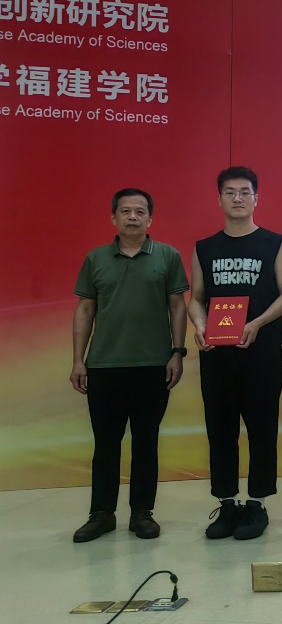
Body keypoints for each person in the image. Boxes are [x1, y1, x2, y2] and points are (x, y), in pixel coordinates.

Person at [70, 188, 189, 542]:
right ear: (114, 218)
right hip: (104, 366)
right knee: (105, 443)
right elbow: (85, 310)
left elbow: (177, 306)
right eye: (125, 211)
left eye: (140, 211)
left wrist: (177, 352)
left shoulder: (167, 256)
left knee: (146, 442)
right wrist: (78, 360)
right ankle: (101, 514)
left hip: (153, 365)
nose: (133, 217)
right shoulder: (96, 259)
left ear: (150, 219)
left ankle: (142, 513)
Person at [189, 166, 282, 540]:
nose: (237, 198)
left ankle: (257, 504)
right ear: (219, 198)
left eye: (245, 192)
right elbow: (196, 298)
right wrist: (199, 325)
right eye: (230, 192)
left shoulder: (275, 243)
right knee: (220, 429)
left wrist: (258, 323)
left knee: (262, 428)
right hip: (218, 354)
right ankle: (228, 502)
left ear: (256, 198)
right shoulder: (205, 248)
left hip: (261, 352)